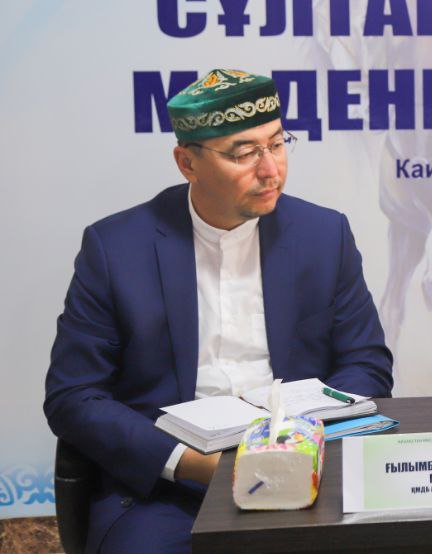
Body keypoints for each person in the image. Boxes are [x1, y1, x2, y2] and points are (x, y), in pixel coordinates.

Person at [44, 69, 393, 553]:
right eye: (244, 154)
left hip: (303, 467)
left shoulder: (323, 234)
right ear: (187, 162)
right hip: (167, 486)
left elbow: (367, 363)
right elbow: (74, 395)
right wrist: (187, 462)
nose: (270, 170)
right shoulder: (117, 248)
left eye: (277, 144)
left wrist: (299, 441)